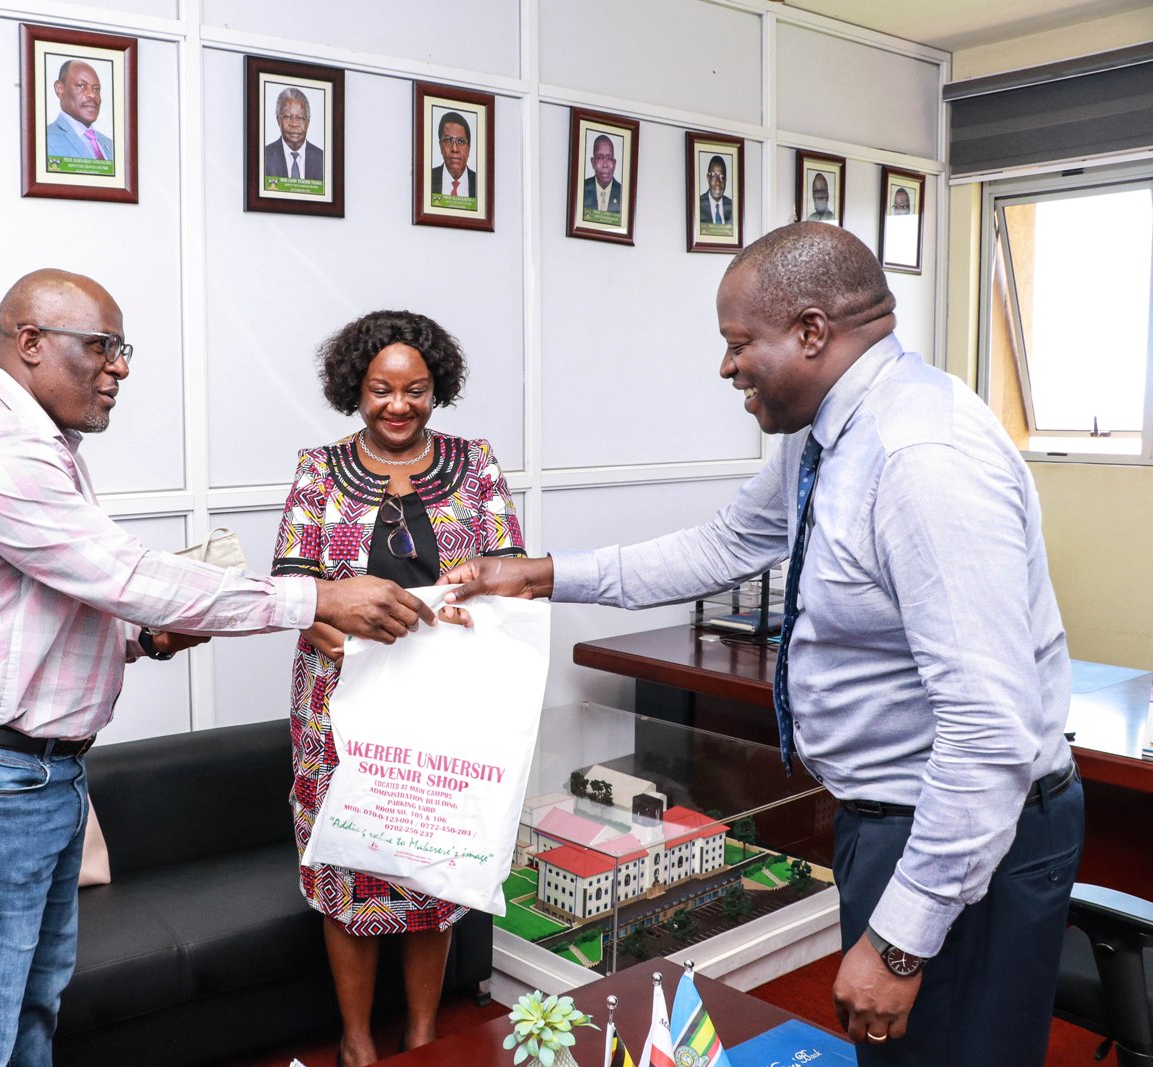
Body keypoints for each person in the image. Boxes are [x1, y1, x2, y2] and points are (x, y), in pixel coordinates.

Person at [440, 223, 1083, 1067]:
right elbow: (722, 544)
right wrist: (544, 574)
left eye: (739, 343)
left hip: (968, 835)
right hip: (886, 816)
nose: (726, 365)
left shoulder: (924, 460)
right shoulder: (825, 437)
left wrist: (898, 941)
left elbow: (988, 731)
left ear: (812, 331)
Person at [0, 270, 435, 1067]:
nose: (121, 368)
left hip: (27, 778)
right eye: (101, 347)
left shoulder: (39, 445)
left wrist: (147, 641)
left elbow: (43, 619)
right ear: (29, 344)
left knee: (29, 1015)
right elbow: (124, 576)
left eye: (122, 348)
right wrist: (316, 599)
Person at [272, 310, 525, 1067]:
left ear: (437, 387)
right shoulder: (319, 468)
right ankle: (355, 1040)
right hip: (340, 709)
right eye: (381, 390)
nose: (398, 405)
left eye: (415, 390)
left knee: (431, 861)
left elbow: (509, 570)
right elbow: (292, 585)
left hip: (444, 707)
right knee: (348, 858)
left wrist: (476, 607)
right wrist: (342, 628)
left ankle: (420, 1034)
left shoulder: (475, 462)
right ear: (355, 387)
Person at [46, 60, 112, 161]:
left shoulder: (110, 145)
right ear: (60, 89)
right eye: (81, 85)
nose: (92, 95)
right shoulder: (45, 140)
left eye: (96, 89)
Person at [263, 86, 324, 182]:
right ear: (278, 120)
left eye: (300, 118)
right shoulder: (264, 157)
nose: (294, 124)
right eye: (287, 117)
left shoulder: (323, 160)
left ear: (308, 122)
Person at [429, 111, 476, 199]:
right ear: (440, 146)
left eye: (461, 141)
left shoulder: (481, 184)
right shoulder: (426, 179)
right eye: (448, 140)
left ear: (468, 149)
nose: (454, 149)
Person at [582, 134, 621, 216]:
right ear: (593, 162)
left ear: (614, 163)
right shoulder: (581, 189)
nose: (605, 164)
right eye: (600, 157)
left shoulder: (623, 194)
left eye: (609, 158)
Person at [698, 154, 733, 227]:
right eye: (714, 176)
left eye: (721, 177)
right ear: (708, 178)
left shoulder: (732, 206)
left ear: (725, 180)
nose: (718, 182)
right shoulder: (698, 205)